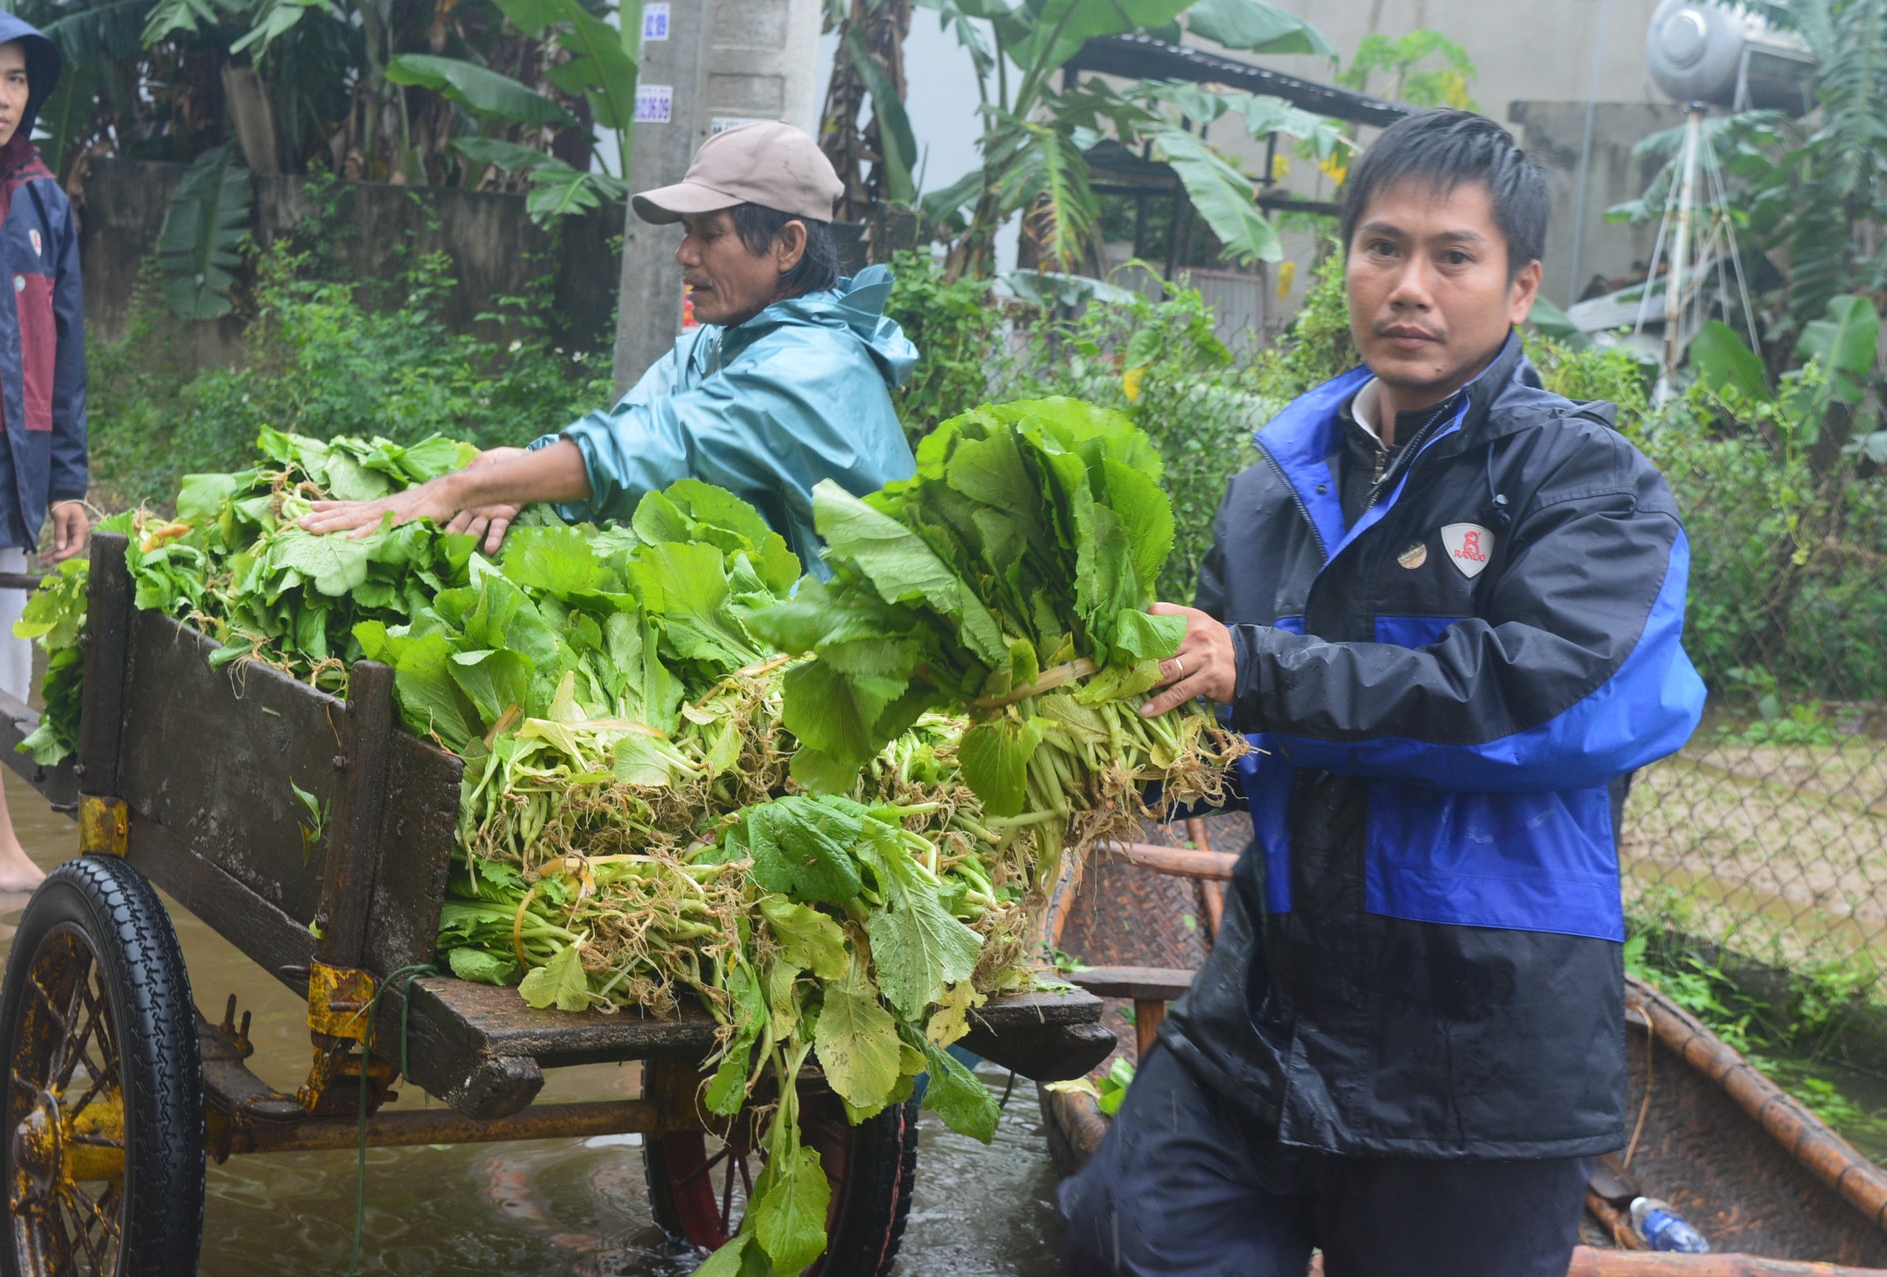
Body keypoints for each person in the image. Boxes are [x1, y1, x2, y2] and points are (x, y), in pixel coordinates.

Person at [1062, 110, 1707, 1276]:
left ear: (1520, 289)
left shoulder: (1591, 485)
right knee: (1123, 1227)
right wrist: (1065, 744)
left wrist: (1261, 668)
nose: (1409, 285)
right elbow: (1225, 734)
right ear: (1344, 264)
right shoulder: (1276, 485)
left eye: (1452, 256)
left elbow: (1540, 700)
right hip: (1263, 1013)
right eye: (1381, 247)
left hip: (1478, 1049)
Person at [299, 121, 917, 570]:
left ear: (787, 244)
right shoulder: (723, 343)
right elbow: (635, 427)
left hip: (851, 678)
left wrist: (458, 490)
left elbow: (665, 444)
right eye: (684, 232)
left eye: (710, 234)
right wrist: (511, 468)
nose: (684, 255)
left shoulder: (812, 367)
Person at [0, 3, 86, 892]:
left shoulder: (44, 202)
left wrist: (68, 483)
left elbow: (67, 350)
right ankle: (2, 850)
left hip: (10, 472)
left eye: (14, 78)